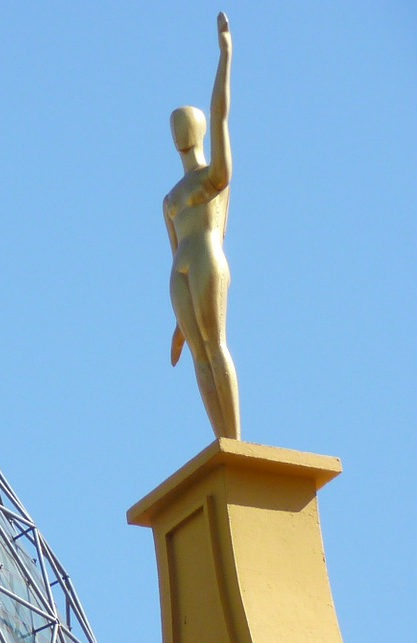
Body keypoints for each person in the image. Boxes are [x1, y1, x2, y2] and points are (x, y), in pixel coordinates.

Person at [165, 13, 240, 440]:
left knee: (215, 345)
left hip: (209, 262)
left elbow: (221, 114)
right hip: (180, 275)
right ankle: (220, 439)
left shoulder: (213, 177)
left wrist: (225, 56)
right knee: (199, 354)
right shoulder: (169, 199)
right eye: (173, 125)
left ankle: (235, 440)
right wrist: (177, 322)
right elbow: (172, 248)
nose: (177, 130)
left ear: (198, 130)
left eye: (184, 123)